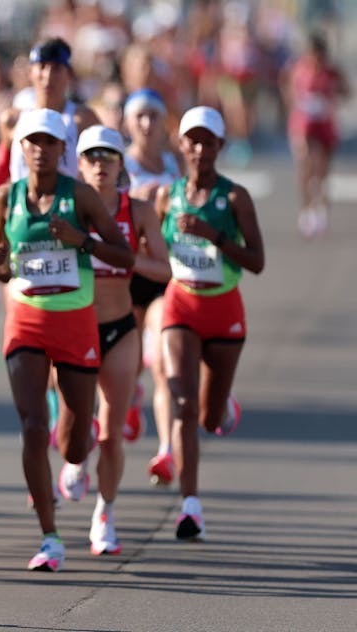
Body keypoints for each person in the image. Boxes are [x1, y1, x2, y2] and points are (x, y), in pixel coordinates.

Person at [0, 109, 134, 571]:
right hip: (26, 323)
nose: (40, 149)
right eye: (32, 141)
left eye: (50, 142)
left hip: (75, 324)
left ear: (62, 151)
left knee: (73, 443)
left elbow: (125, 256)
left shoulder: (83, 197)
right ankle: (49, 536)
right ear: (22, 149)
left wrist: (82, 240)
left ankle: (75, 453)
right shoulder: (4, 200)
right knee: (32, 425)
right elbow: (2, 264)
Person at [157, 106, 264, 541]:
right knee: (181, 404)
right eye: (192, 140)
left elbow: (257, 261)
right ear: (181, 145)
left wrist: (213, 235)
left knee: (208, 417)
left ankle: (222, 405)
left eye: (208, 141)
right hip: (180, 306)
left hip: (224, 312)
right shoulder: (167, 197)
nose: (199, 149)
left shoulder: (235, 197)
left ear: (221, 146)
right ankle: (190, 507)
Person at [73, 125, 170, 555]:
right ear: (79, 165)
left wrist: (123, 258)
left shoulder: (139, 211)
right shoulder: (67, 211)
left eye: (108, 157)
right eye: (91, 157)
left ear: (120, 164)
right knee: (72, 430)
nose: (99, 165)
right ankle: (75, 458)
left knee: (112, 430)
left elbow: (164, 270)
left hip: (119, 328)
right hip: (73, 330)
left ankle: (105, 513)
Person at [122, 88, 185, 484]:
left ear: (164, 122)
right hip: (127, 273)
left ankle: (166, 451)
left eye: (154, 116)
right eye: (139, 116)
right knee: (126, 365)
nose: (147, 124)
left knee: (163, 363)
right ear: (128, 123)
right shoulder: (116, 162)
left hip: (163, 271)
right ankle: (130, 398)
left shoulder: (174, 162)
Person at [0, 38, 99, 193]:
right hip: (24, 210)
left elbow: (99, 171)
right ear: (30, 72)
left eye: (56, 68)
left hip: (67, 211)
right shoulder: (12, 120)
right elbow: (2, 167)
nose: (48, 75)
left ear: (69, 74)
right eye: (42, 66)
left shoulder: (83, 120)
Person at [282, 31, 349, 238]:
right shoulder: (297, 68)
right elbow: (286, 86)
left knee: (322, 171)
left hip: (325, 124)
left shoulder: (332, 72)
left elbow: (346, 92)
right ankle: (306, 210)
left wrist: (331, 98)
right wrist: (294, 103)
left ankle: (320, 209)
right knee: (305, 166)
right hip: (302, 123)